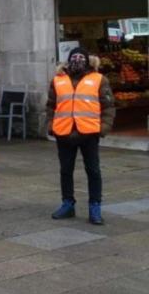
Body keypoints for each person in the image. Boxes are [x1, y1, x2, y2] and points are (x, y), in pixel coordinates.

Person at [46, 48, 115, 225]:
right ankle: (67, 204)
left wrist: (103, 129)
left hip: (89, 133)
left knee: (93, 171)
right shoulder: (57, 80)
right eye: (73, 58)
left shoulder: (99, 79)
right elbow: (51, 106)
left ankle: (95, 207)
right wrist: (50, 126)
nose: (77, 61)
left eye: (81, 58)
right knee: (65, 171)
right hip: (64, 132)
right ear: (68, 61)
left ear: (87, 60)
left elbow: (108, 107)